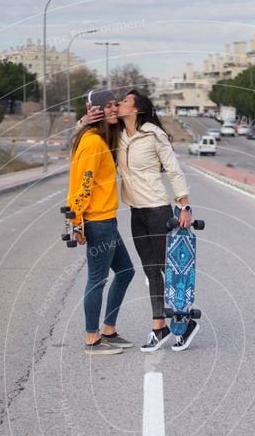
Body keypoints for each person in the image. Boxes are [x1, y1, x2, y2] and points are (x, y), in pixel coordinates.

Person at [84, 89, 198, 352]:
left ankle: (185, 321)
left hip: (158, 209)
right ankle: (159, 326)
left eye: (124, 101)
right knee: (150, 270)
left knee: (169, 270)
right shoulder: (118, 135)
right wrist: (83, 121)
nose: (118, 105)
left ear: (135, 109)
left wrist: (184, 205)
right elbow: (90, 136)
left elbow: (173, 169)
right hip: (137, 212)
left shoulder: (153, 134)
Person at [67, 89, 135, 356]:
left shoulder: (97, 137)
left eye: (115, 105)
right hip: (98, 221)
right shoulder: (93, 142)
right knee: (97, 280)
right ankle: (92, 338)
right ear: (94, 110)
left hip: (107, 219)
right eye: (107, 106)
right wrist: (76, 220)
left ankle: (109, 330)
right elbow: (82, 183)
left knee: (126, 271)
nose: (113, 109)